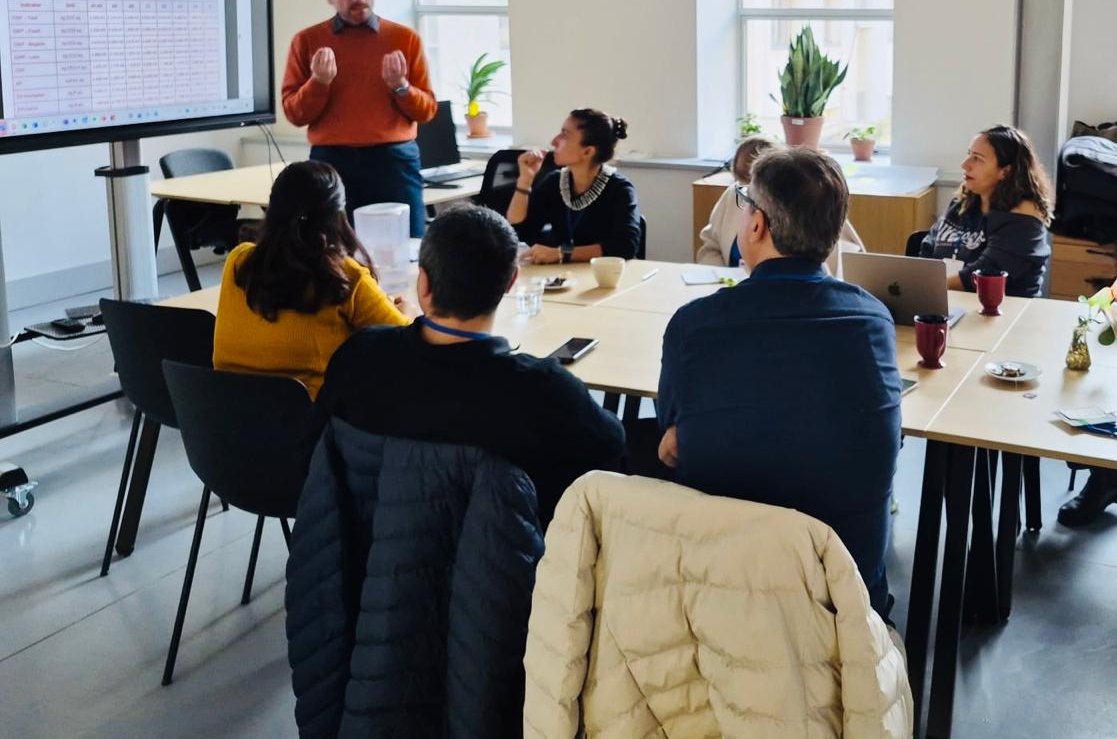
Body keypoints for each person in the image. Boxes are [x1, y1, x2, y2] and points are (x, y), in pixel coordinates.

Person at [655, 146, 902, 619]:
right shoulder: (873, 319)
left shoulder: (695, 325)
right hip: (846, 600)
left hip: (722, 594)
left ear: (757, 225)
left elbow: (673, 441)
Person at [319, 205, 626, 525]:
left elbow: (322, 452)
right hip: (504, 550)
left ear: (423, 283)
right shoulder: (543, 390)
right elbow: (611, 449)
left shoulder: (360, 356)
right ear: (511, 282)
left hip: (366, 541)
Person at [213, 160, 409, 400]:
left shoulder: (238, 261)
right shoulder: (343, 276)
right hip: (309, 421)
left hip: (224, 414)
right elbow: (408, 346)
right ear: (338, 215)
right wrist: (406, 312)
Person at [281, 0, 438, 237]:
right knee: (331, 247)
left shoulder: (404, 38)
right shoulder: (307, 41)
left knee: (406, 245)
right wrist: (319, 82)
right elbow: (294, 114)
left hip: (393, 161)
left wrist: (400, 86)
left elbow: (426, 111)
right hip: (332, 162)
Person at [697, 134, 865, 274]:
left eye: (754, 188)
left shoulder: (811, 201)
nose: (749, 197)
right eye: (744, 188)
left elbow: (838, 260)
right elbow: (710, 245)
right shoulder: (734, 194)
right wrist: (723, 277)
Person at [917, 125, 1052, 296]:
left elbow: (985, 274)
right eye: (969, 155)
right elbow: (928, 249)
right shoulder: (962, 202)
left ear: (1005, 172)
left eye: (977, 159)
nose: (965, 165)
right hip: (948, 301)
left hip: (1002, 309)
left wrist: (924, 287)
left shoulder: (1024, 217)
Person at [506, 109, 642, 263]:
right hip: (563, 274)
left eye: (565, 135)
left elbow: (625, 246)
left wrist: (562, 254)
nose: (554, 141)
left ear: (588, 151)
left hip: (603, 274)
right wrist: (525, 180)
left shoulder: (620, 189)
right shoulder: (555, 182)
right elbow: (519, 231)